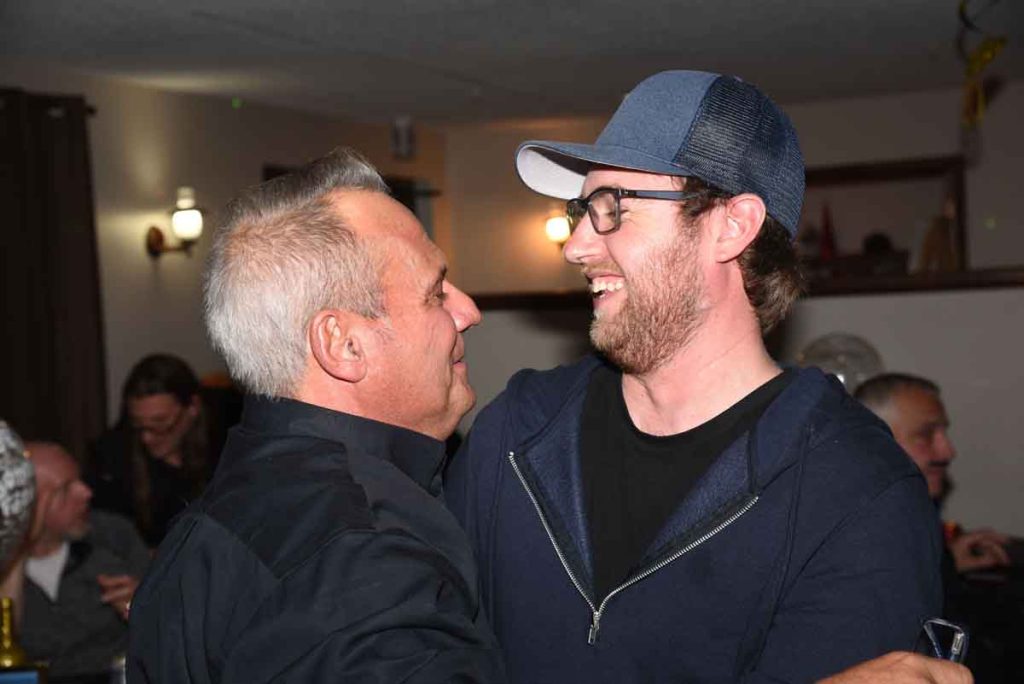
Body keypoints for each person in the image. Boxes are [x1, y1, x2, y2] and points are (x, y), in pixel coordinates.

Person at [445, 70, 943, 683]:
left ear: (732, 226)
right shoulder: (517, 432)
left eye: (613, 208)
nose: (575, 247)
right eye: (581, 210)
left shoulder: (855, 490)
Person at [126, 149, 503, 682]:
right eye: (435, 293)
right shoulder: (362, 560)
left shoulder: (207, 527)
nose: (468, 312)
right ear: (343, 345)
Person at [17, 441, 149, 682]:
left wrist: (144, 606)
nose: (86, 492)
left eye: (80, 480)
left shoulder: (114, 536)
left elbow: (167, 630)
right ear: (28, 502)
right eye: (65, 488)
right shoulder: (7, 562)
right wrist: (18, 549)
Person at [854, 373, 1012, 573]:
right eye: (925, 434)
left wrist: (948, 562)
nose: (948, 451)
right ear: (872, 443)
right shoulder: (849, 540)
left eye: (943, 432)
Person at [88, 354, 217, 547]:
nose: (146, 438)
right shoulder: (112, 458)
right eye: (138, 425)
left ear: (193, 408)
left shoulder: (225, 447)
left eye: (160, 423)